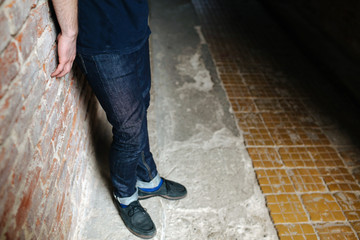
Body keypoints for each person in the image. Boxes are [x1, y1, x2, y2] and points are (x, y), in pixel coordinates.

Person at [50, 0, 187, 238]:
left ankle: (147, 178)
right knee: (129, 128)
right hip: (102, 38)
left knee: (141, 105)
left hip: (134, 27)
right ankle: (126, 195)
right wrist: (69, 33)